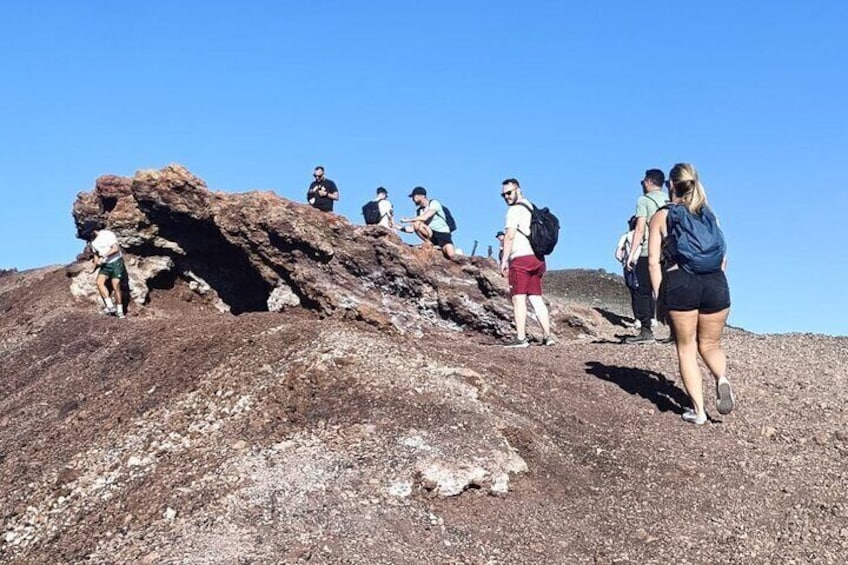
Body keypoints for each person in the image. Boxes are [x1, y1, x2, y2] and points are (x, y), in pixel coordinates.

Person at [648, 163, 734, 425]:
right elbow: (723, 258)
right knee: (710, 345)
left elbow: (653, 261)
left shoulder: (662, 216)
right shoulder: (709, 215)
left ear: (671, 186)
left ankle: (698, 412)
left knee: (686, 348)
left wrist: (659, 296)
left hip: (682, 282)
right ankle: (721, 378)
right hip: (716, 284)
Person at [499, 178, 554, 348]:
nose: (506, 197)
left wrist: (504, 259)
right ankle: (548, 336)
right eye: (503, 195)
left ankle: (521, 338)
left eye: (509, 193)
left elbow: (509, 236)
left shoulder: (514, 210)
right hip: (538, 259)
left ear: (518, 190)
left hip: (521, 258)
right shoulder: (532, 207)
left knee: (518, 298)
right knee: (536, 298)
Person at [624, 169, 670, 344]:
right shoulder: (668, 199)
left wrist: (631, 253)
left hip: (647, 251)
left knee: (642, 290)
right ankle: (674, 331)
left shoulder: (643, 200)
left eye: (643, 181)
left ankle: (645, 331)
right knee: (666, 289)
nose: (642, 184)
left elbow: (640, 228)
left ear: (649, 182)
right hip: (667, 252)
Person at [399, 187, 456, 260]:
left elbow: (425, 217)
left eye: (414, 196)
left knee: (451, 255)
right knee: (416, 223)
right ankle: (429, 243)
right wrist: (397, 227)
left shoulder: (434, 203)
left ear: (422, 196)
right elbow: (412, 229)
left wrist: (408, 220)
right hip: (432, 235)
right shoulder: (419, 211)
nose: (413, 199)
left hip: (443, 235)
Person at [89, 228, 127, 318]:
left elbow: (115, 249)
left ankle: (120, 310)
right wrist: (93, 268)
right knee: (99, 282)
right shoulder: (92, 243)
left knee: (116, 286)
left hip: (116, 262)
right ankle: (110, 306)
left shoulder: (107, 234)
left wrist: (104, 256)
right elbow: (96, 257)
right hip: (106, 265)